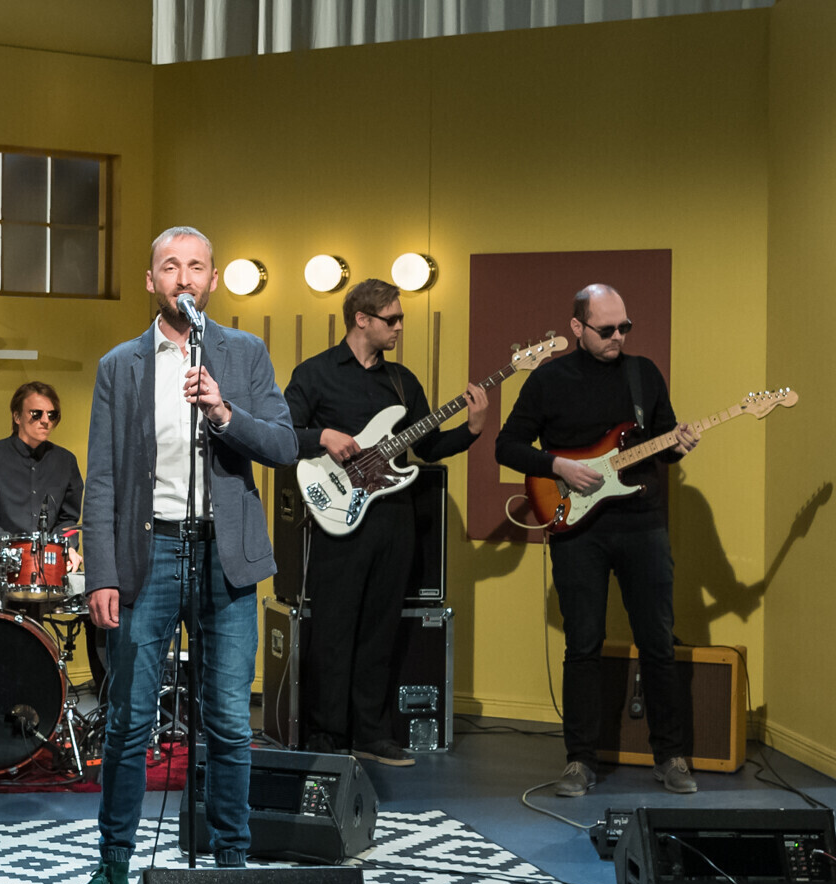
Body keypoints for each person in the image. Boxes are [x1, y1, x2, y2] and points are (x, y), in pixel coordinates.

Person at [63, 226, 298, 884]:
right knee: (129, 720)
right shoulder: (120, 365)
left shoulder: (244, 353)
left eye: (196, 266)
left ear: (212, 280)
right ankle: (112, 868)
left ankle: (230, 866)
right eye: (170, 266)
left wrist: (223, 411)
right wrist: (101, 574)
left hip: (226, 556)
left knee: (226, 719)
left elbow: (284, 445)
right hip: (149, 554)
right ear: (151, 280)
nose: (184, 278)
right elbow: (102, 478)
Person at [496, 283, 700, 797]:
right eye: (606, 329)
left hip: (642, 523)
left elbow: (664, 440)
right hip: (576, 528)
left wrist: (680, 444)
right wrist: (557, 465)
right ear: (577, 327)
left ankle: (671, 756)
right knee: (582, 645)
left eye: (624, 327)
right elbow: (507, 445)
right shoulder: (548, 380)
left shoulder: (644, 373)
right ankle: (580, 761)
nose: (617, 337)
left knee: (658, 641)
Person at [283, 279, 489, 766]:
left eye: (400, 319)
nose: (399, 327)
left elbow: (428, 447)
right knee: (332, 630)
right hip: (337, 518)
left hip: (394, 519)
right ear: (362, 319)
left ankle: (370, 733)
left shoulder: (402, 381)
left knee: (380, 630)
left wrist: (472, 430)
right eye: (391, 319)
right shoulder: (314, 374)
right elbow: (282, 435)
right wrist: (323, 436)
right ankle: (326, 734)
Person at [0, 381, 84, 541]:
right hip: (3, 554)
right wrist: (17, 546)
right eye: (36, 414)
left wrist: (62, 545)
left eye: (52, 415)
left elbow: (69, 521)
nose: (45, 420)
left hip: (50, 554)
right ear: (17, 417)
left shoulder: (66, 461)